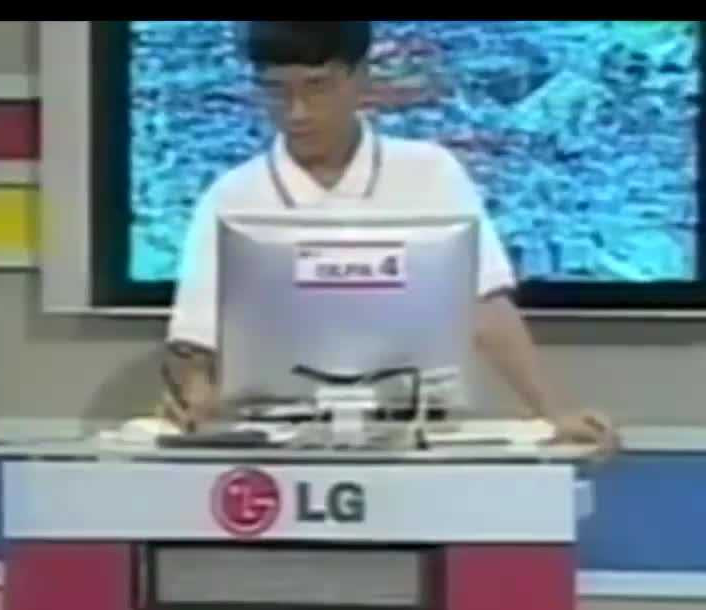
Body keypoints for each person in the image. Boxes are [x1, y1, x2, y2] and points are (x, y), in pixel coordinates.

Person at [159, 21, 619, 455]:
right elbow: (192, 341)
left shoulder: (430, 174)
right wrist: (195, 392)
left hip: (418, 436)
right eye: (277, 91)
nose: (297, 112)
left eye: (317, 87)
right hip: (276, 442)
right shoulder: (231, 196)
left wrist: (553, 412)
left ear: (360, 77)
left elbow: (486, 308)